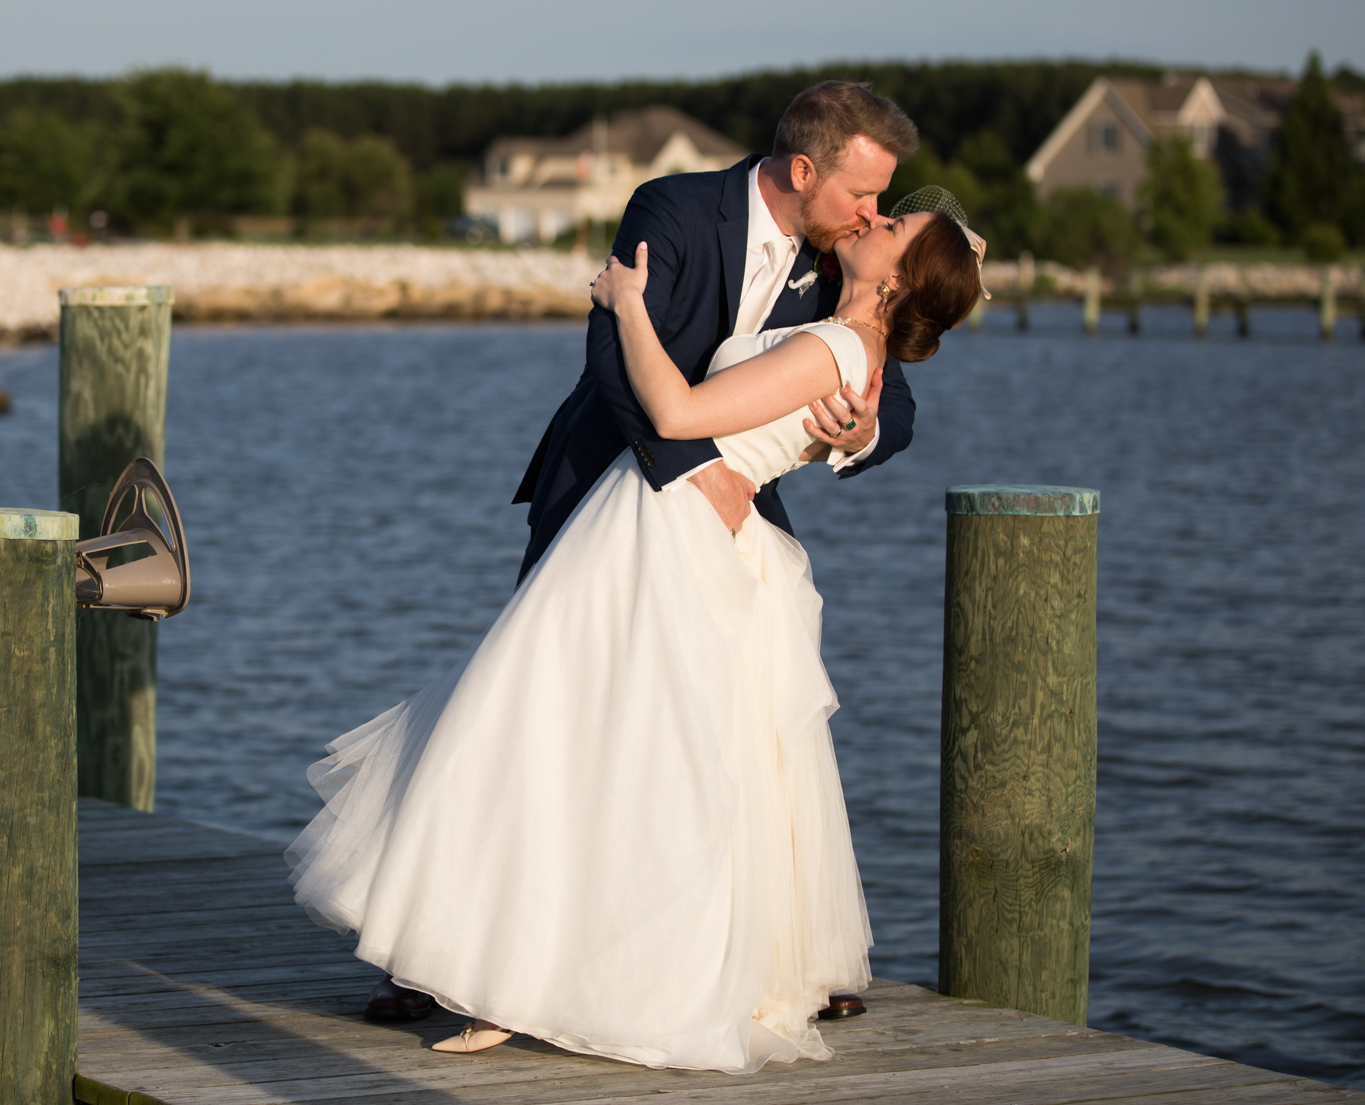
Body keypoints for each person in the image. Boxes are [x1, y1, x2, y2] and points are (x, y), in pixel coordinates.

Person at [284, 183, 985, 1072]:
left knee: (567, 741)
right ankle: (500, 963)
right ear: (809, 168)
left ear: (894, 283)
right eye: (875, 201)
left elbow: (678, 415)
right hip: (651, 521)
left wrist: (625, 305)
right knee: (565, 740)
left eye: (893, 225)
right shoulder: (812, 305)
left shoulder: (838, 343)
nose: (874, 216)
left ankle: (522, 975)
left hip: (663, 532)